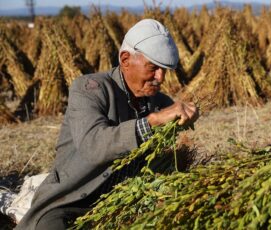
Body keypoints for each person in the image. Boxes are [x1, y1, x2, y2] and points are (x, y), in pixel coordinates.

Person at [16, 18, 199, 230]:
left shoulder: (158, 101)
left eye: (164, 70)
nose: (161, 77)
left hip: (124, 202)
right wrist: (152, 122)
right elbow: (93, 145)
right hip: (71, 200)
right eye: (153, 68)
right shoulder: (90, 89)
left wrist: (188, 117)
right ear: (125, 59)